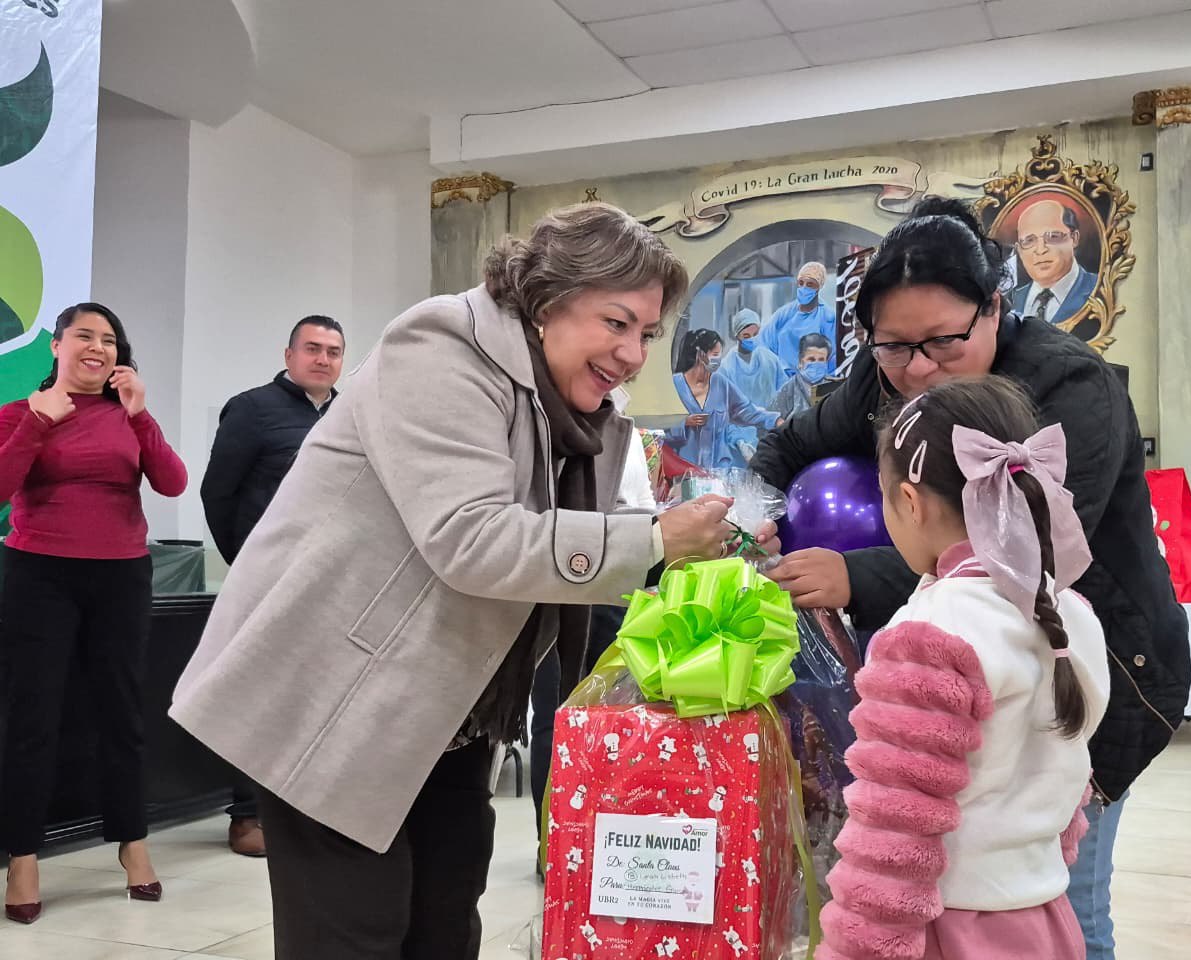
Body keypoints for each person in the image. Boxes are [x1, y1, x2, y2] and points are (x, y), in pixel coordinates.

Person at [167, 203, 781, 960]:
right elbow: (471, 537)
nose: (631, 354)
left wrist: (687, 542)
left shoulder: (566, 403)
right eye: (616, 323)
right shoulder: (440, 346)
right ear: (549, 300)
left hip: (448, 710)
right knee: (354, 932)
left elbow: (574, 529)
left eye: (647, 334)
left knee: (446, 923)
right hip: (339, 698)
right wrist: (655, 540)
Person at [752, 197, 1189, 960]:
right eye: (894, 346)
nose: (918, 369)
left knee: (1068, 899)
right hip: (988, 685)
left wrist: (856, 574)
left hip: (1096, 669)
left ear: (993, 306)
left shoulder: (1071, 388)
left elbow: (1021, 545)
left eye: (943, 342)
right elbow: (788, 445)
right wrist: (756, 513)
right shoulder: (886, 375)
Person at [818, 376, 1109, 960]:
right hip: (1046, 918)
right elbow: (1068, 775)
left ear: (910, 502)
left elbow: (892, 832)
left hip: (950, 927)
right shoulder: (1070, 611)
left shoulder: (932, 630)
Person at [0, 303, 187, 924]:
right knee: (32, 716)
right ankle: (23, 856)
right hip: (39, 574)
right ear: (56, 345)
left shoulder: (127, 415)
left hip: (121, 575)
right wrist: (38, 422)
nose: (98, 348)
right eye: (84, 335)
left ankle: (133, 843)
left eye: (109, 340)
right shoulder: (22, 411)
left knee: (122, 713)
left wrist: (140, 413)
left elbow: (172, 483)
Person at [200, 314, 346, 857]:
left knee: (321, 700)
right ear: (289, 355)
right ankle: (247, 815)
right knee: (261, 699)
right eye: (312, 348)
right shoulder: (252, 409)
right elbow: (218, 493)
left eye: (333, 351)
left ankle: (310, 813)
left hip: (333, 583)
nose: (323, 358)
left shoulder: (350, 414)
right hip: (268, 581)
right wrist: (248, 562)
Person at [529, 423, 656, 851]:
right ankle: (552, 847)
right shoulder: (549, 423)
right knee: (555, 718)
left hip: (616, 589)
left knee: (612, 716)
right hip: (555, 588)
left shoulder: (627, 432)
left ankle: (596, 848)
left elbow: (642, 504)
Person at [666, 328, 782, 470]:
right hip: (684, 468)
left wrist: (774, 419)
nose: (718, 359)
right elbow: (658, 429)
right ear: (700, 354)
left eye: (719, 354)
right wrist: (684, 423)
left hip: (719, 470)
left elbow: (745, 410)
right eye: (715, 354)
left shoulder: (721, 383)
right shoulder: (674, 386)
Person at [1007, 199, 1099, 339]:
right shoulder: (1010, 299)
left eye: (1053, 237)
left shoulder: (1099, 288)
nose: (1040, 250)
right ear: (1019, 249)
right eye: (1029, 240)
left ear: (1074, 238)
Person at [760, 261, 838, 375]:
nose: (804, 287)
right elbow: (764, 343)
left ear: (819, 287)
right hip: (783, 379)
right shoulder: (784, 314)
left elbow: (833, 358)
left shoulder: (828, 317)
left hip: (814, 380)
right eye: (801, 283)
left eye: (810, 284)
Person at [718, 307, 787, 408]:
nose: (752, 339)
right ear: (737, 336)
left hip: (771, 417)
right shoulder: (726, 368)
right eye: (746, 336)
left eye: (755, 334)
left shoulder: (771, 360)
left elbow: (785, 393)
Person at [771, 332, 838, 421]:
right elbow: (772, 419)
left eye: (821, 360)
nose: (816, 363)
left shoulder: (834, 388)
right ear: (800, 362)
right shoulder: (789, 389)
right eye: (811, 359)